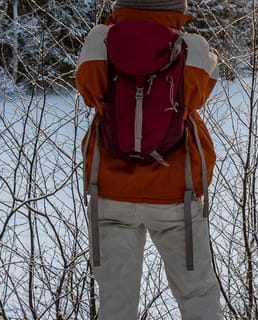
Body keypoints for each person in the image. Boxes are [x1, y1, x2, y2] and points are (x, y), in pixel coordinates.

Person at [74, 1, 222, 319]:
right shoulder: (192, 47)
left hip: (112, 191)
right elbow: (199, 96)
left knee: (116, 301)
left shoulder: (99, 40)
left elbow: (88, 92)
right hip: (175, 193)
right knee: (197, 294)